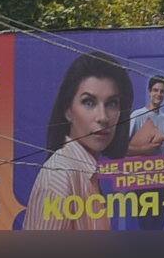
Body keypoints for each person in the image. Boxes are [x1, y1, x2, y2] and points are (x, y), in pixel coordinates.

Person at [26, 50, 134, 232]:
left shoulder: (87, 172)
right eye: (89, 102)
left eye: (112, 103)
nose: (103, 117)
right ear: (68, 110)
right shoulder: (60, 176)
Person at [127, 74, 164, 156]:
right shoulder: (137, 115)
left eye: (162, 91)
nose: (158, 94)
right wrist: (144, 149)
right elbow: (123, 149)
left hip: (162, 167)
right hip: (141, 166)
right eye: (155, 90)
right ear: (149, 91)